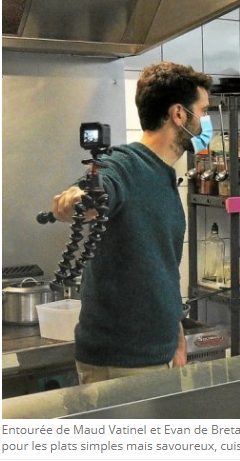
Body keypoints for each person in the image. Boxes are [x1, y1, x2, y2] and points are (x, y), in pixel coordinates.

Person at [49, 62, 213, 384]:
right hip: (122, 362)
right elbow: (98, 187)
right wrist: (77, 199)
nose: (205, 121)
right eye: (203, 110)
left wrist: (174, 329)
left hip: (158, 353)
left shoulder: (163, 174)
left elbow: (158, 269)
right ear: (179, 115)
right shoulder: (124, 164)